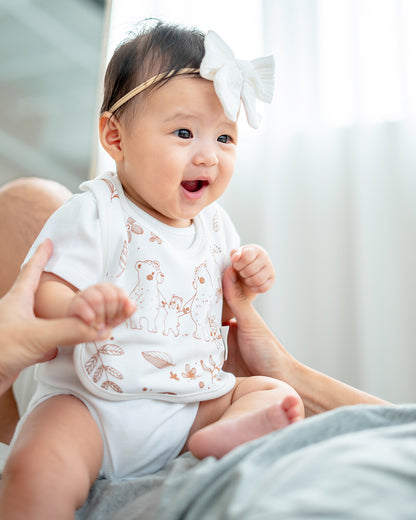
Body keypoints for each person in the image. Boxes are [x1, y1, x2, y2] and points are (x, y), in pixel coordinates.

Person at [0, 21, 306, 518]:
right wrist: (76, 307)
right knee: (39, 463)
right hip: (93, 409)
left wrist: (251, 276)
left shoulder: (216, 226)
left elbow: (222, 300)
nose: (207, 154)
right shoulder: (96, 212)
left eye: (225, 137)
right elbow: (43, 290)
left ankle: (218, 436)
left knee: (269, 390)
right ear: (115, 136)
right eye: (184, 132)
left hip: (189, 405)